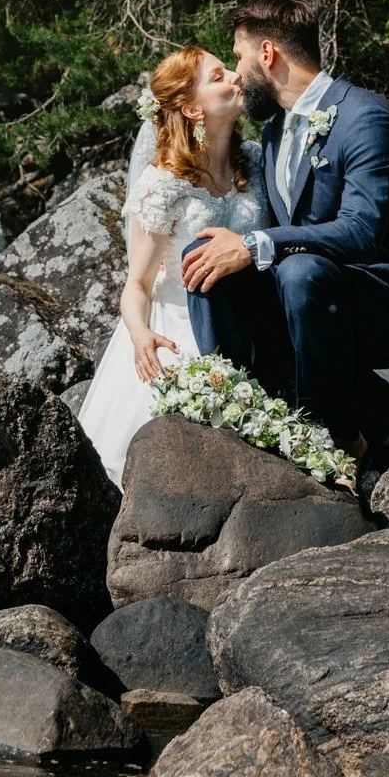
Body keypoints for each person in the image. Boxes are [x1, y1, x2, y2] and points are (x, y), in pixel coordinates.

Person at [179, 0, 389, 460]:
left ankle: (339, 437)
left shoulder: (365, 118)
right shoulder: (274, 128)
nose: (237, 72)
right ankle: (237, 409)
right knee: (204, 253)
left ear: (268, 53)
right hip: (303, 301)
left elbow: (361, 231)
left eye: (238, 56)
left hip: (368, 301)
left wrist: (257, 244)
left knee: (296, 271)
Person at [74, 46, 267, 484]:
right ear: (193, 109)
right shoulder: (163, 186)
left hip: (254, 318)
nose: (237, 77)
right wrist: (141, 337)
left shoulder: (254, 159)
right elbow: (137, 285)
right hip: (180, 328)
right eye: (219, 76)